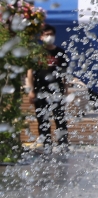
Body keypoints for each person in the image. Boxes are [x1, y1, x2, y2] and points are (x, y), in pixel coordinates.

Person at [26, 24, 69, 153]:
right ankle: (46, 145)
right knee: (42, 119)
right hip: (40, 91)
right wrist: (31, 90)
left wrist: (66, 90)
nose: (49, 37)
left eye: (51, 34)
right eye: (46, 35)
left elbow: (65, 73)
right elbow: (30, 72)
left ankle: (63, 144)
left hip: (57, 91)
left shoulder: (60, 52)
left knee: (59, 118)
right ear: (41, 36)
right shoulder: (37, 53)